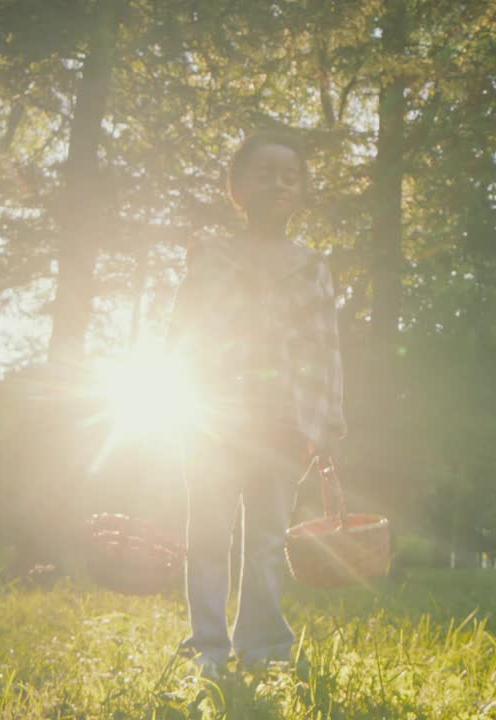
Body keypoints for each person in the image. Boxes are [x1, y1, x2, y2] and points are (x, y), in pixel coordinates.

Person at [166, 129, 348, 679]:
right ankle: (208, 647)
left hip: (283, 424)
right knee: (209, 533)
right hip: (214, 419)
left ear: (302, 191)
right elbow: (184, 330)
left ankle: (263, 644)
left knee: (267, 538)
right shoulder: (213, 256)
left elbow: (325, 347)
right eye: (264, 174)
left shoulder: (311, 265)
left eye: (289, 177)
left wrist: (325, 424)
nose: (278, 184)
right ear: (237, 188)